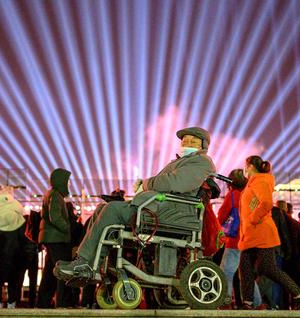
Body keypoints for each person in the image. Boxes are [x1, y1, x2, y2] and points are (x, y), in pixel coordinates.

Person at [54, 127, 216, 281]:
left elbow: (175, 183)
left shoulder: (201, 162)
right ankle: (88, 264)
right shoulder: (182, 162)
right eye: (184, 141)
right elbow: (166, 183)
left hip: (171, 212)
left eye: (192, 142)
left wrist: (145, 184)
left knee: (111, 209)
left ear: (203, 145)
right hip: (160, 207)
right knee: (101, 209)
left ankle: (85, 263)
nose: (186, 144)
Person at [237, 155, 300, 310]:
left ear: (249, 166)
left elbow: (267, 203)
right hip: (251, 233)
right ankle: (248, 303)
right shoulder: (252, 183)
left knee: (268, 268)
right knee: (245, 268)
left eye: (245, 166)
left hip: (261, 232)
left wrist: (253, 219)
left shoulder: (261, 181)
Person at [37, 168, 73, 308]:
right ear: (60, 181)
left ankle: (42, 303)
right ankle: (63, 302)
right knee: (63, 271)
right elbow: (56, 217)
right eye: (67, 181)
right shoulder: (56, 196)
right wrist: (67, 228)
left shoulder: (51, 194)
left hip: (51, 238)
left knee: (49, 274)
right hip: (57, 239)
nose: (69, 184)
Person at [217, 169, 247, 309]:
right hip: (247, 239)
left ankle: (225, 300)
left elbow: (222, 215)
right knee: (246, 274)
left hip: (234, 240)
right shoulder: (248, 194)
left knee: (225, 272)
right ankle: (257, 303)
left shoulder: (233, 195)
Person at [0, 187, 26, 309]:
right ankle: (12, 301)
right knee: (13, 278)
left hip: (1, 252)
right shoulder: (19, 218)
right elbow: (22, 238)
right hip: (15, 252)